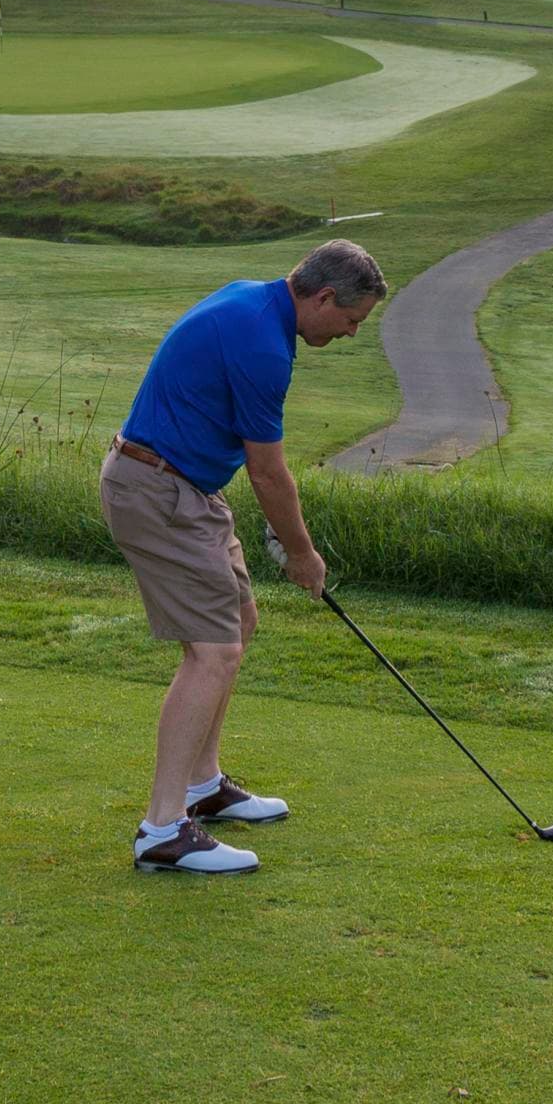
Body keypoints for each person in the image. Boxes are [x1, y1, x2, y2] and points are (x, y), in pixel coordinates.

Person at [102, 239, 388, 875]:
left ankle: (202, 788)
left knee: (239, 622)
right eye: (350, 320)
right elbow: (267, 472)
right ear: (321, 297)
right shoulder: (264, 345)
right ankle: (162, 829)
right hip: (157, 489)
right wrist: (302, 553)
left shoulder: (253, 302)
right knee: (214, 650)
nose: (350, 334)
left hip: (183, 489)